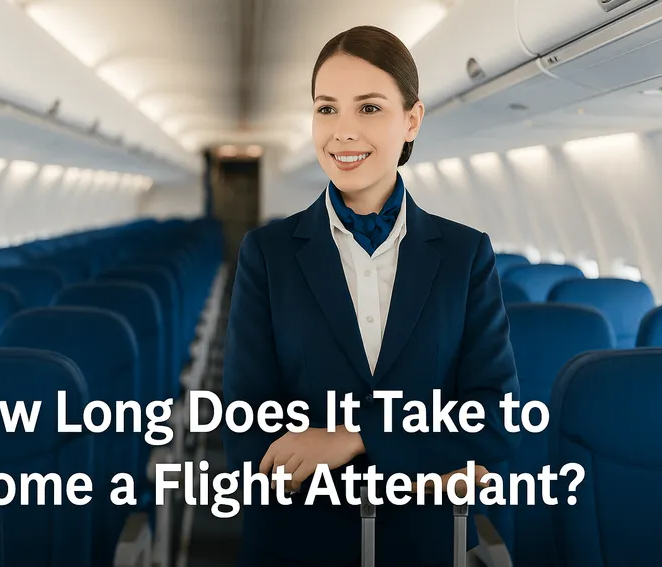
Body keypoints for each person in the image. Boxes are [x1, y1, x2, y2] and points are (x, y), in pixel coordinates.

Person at [222, 25, 520, 567]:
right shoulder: (267, 254)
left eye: (369, 108)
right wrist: (428, 465)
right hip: (297, 547)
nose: (342, 133)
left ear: (412, 119)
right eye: (326, 109)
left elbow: (494, 429)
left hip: (426, 549)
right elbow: (246, 437)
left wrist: (350, 440)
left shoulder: (464, 256)